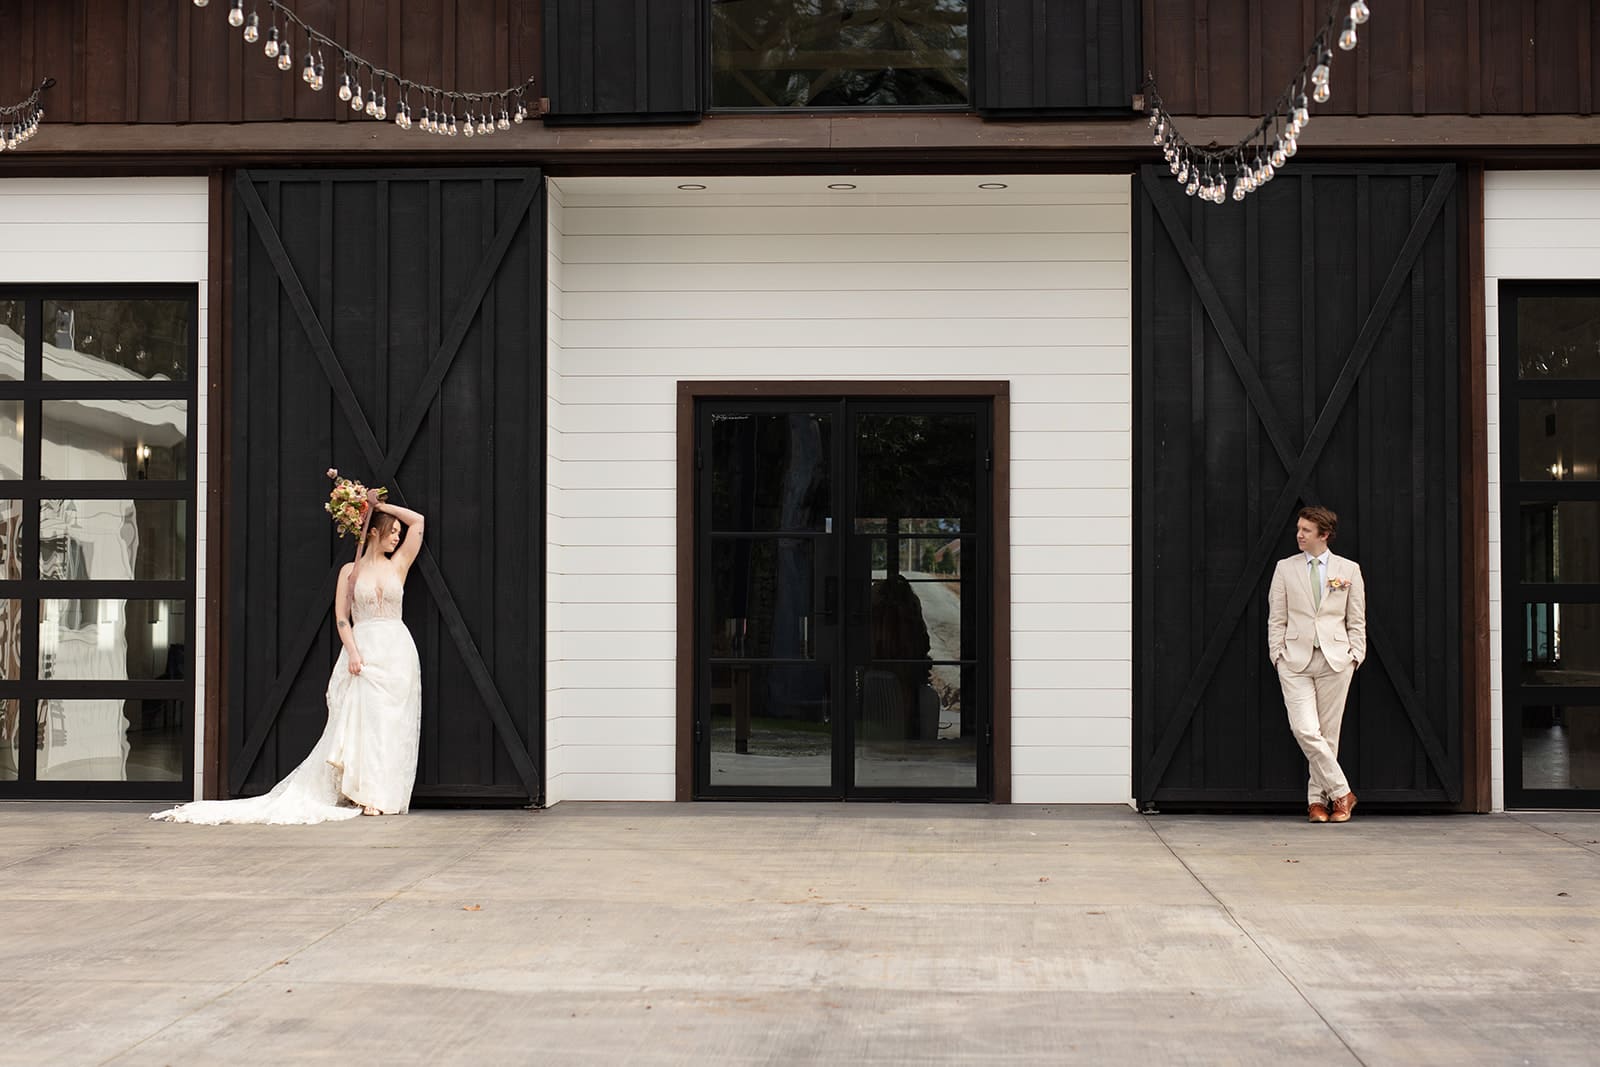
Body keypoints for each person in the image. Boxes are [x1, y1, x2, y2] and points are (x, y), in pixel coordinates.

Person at [152, 491, 425, 824]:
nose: (397, 536)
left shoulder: (399, 564)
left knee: (391, 724)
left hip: (396, 652)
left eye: (398, 532)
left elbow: (418, 522)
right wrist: (353, 651)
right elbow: (342, 617)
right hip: (364, 650)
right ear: (373, 532)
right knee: (364, 724)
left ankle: (385, 795)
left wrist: (379, 506)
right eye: (391, 530)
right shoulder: (349, 572)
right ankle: (365, 792)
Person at [1267, 505, 1366, 824]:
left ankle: (1317, 803)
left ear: (1324, 535)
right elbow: (1277, 617)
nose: (1298, 535)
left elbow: (1356, 619)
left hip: (1336, 660)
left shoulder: (1348, 569)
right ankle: (1342, 792)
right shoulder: (1285, 568)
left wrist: (1355, 654)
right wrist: (1277, 654)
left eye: (1305, 530)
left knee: (1328, 735)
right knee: (1305, 729)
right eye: (1299, 529)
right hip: (1294, 660)